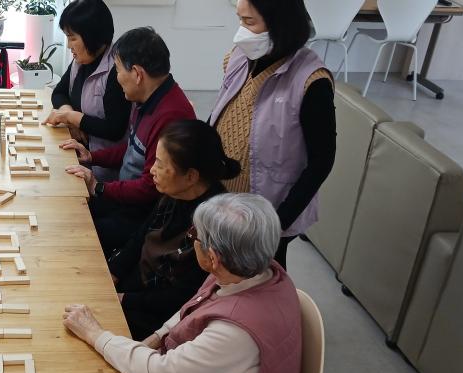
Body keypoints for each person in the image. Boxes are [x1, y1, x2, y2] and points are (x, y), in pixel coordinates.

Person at [63, 193, 302, 373]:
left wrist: (95, 334)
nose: (191, 241)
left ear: (213, 257)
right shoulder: (251, 270)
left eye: (194, 236)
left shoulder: (236, 332)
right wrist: (155, 338)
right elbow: (195, 306)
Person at [208, 0, 336, 267]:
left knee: (259, 275)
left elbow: (322, 161)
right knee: (219, 267)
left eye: (249, 22)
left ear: (280, 23)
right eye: (240, 19)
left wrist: (277, 224)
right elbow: (222, 108)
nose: (241, 31)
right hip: (223, 197)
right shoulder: (239, 56)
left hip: (269, 210)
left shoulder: (311, 82)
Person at [64, 27, 196, 254]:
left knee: (77, 234)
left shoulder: (170, 115)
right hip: (126, 200)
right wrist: (92, 156)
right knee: (70, 209)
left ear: (137, 74)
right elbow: (133, 148)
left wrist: (98, 187)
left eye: (117, 70)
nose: (116, 78)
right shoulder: (147, 98)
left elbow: (150, 187)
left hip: (144, 214)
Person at [106, 120, 240, 340]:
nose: (152, 170)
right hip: (136, 286)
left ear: (191, 176)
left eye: (160, 164)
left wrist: (124, 299)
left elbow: (182, 296)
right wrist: (114, 272)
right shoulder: (176, 192)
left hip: (158, 317)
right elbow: (141, 236)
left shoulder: (213, 227)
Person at [45, 0, 129, 163]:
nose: (69, 45)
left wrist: (73, 117)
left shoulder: (116, 71)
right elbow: (59, 93)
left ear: (92, 37)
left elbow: (115, 129)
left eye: (72, 38)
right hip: (76, 152)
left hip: (102, 166)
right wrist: (69, 118)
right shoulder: (81, 60)